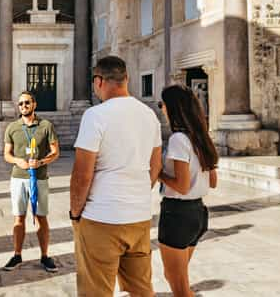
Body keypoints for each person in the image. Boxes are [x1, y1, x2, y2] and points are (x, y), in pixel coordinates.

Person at [70, 56, 163, 297]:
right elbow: (155, 166)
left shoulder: (95, 115)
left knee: (95, 291)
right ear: (127, 79)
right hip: (139, 217)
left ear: (98, 81)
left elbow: (82, 174)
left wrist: (75, 213)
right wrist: (138, 194)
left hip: (102, 217)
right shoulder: (149, 115)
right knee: (140, 289)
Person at [157, 84, 218, 297]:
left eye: (162, 104)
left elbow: (181, 186)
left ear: (172, 107)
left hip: (177, 214)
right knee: (180, 281)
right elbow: (213, 181)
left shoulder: (178, 140)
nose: (161, 108)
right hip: (198, 213)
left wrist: (158, 172)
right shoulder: (201, 138)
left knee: (178, 284)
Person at [2, 91, 60, 272]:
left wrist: (42, 161)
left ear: (34, 104)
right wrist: (17, 161)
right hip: (18, 178)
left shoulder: (45, 126)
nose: (23, 106)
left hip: (40, 178)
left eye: (27, 103)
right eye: (20, 104)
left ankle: (45, 256)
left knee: (41, 217)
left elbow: (55, 152)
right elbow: (7, 154)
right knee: (19, 218)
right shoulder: (12, 127)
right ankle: (17, 254)